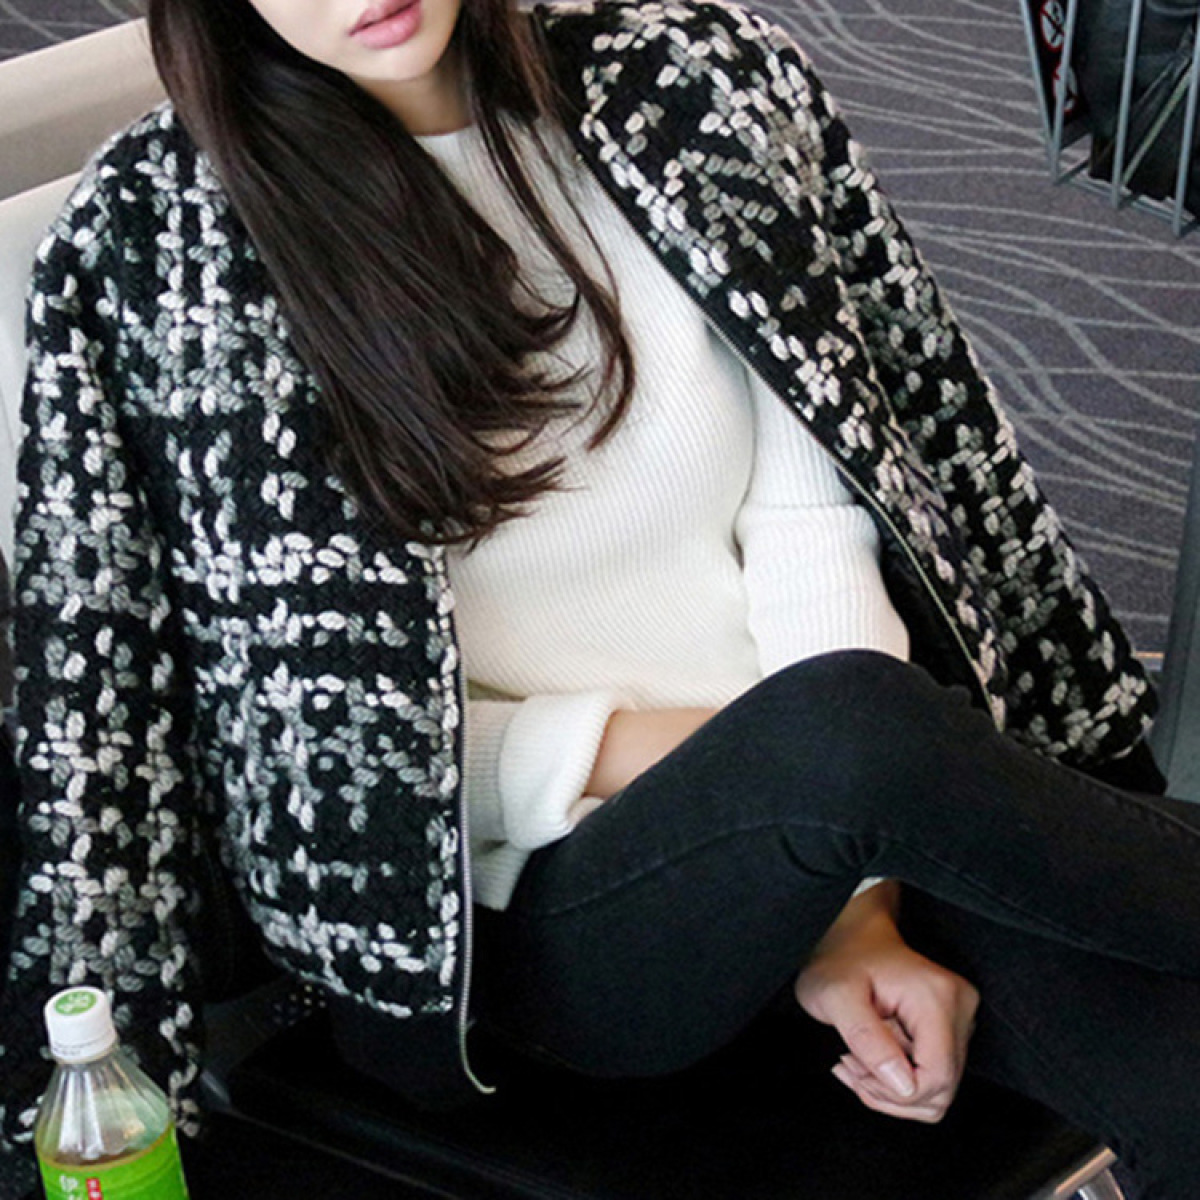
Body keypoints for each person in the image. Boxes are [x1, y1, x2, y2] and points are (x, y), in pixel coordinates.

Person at [1, 0, 1198, 1194]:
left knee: (1179, 1064)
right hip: (534, 916)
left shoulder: (689, 86)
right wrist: (723, 756)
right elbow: (325, 753)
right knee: (851, 730)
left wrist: (853, 909)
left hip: (850, 805)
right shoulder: (172, 248)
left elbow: (815, 523)